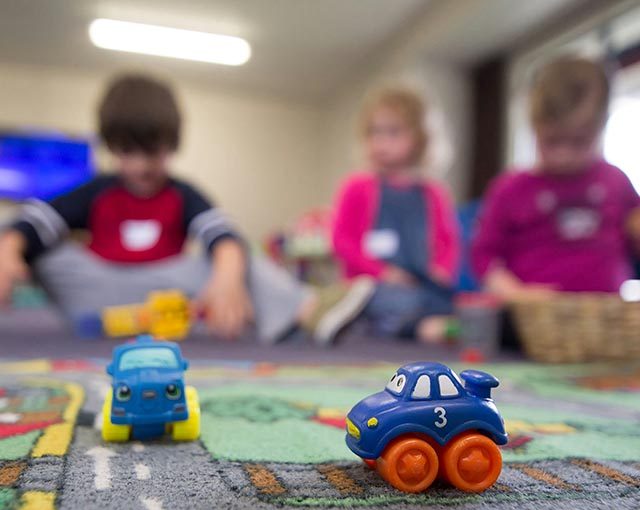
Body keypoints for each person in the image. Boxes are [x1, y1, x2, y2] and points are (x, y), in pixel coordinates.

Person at [0, 74, 374, 344]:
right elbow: (35, 220)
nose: (142, 166)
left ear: (172, 145)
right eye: (128, 152)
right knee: (30, 241)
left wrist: (227, 277)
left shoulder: (183, 193)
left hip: (164, 293)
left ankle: (308, 313)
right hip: (95, 291)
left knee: (235, 258)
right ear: (112, 147)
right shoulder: (97, 190)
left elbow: (223, 236)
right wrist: (9, 250)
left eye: (154, 152)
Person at [472, 56, 640, 300]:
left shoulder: (615, 181)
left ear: (601, 127)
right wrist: (517, 294)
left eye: (579, 142)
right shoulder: (510, 189)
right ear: (534, 128)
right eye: (551, 141)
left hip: (605, 319)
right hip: (532, 323)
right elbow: (484, 257)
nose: (564, 155)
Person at [331, 87, 461, 342]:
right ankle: (411, 327)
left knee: (449, 300)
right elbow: (342, 242)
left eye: (393, 132)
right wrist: (384, 273)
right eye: (374, 132)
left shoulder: (433, 193)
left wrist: (441, 270)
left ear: (418, 138)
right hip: (370, 286)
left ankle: (411, 324)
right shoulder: (357, 187)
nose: (381, 142)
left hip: (418, 284)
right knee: (378, 299)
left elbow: (448, 243)